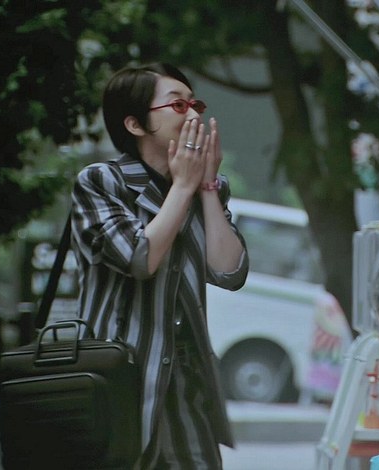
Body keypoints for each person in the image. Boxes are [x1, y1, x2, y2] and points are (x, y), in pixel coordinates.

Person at [70, 62, 249, 469]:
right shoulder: (102, 182)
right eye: (178, 105)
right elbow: (139, 258)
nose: (193, 115)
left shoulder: (208, 188)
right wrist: (183, 187)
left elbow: (230, 271)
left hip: (186, 382)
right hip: (118, 378)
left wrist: (206, 187)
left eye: (195, 104)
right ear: (135, 124)